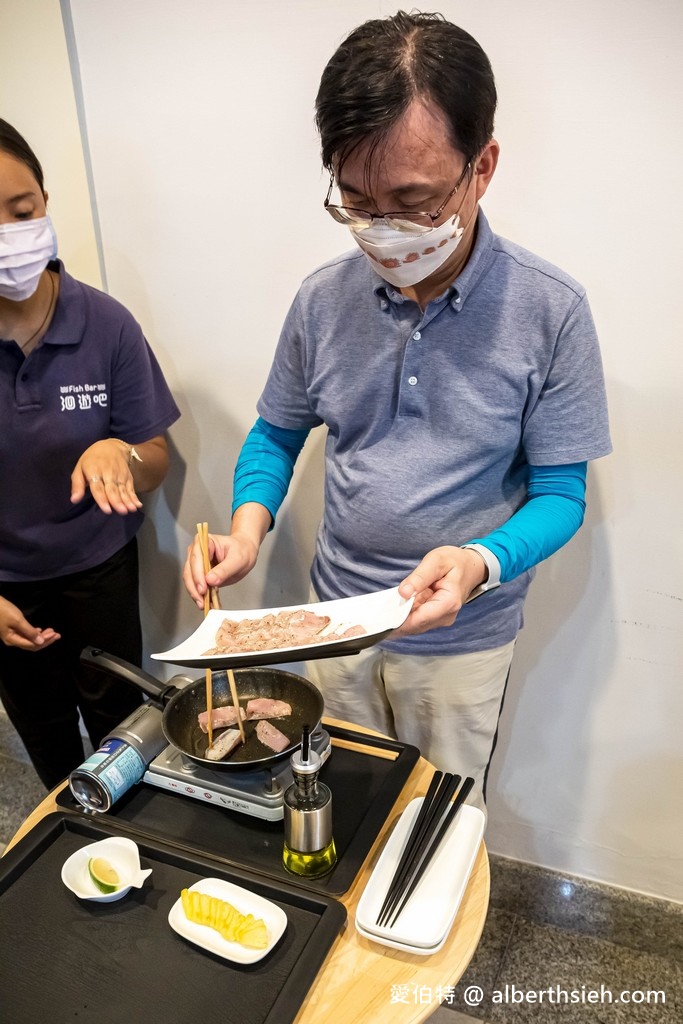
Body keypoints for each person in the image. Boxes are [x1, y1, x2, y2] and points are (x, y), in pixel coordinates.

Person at [183, 11, 611, 807]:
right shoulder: (322, 300)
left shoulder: (550, 311)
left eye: (411, 202)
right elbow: (277, 433)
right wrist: (246, 528)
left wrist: (480, 562)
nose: (380, 231)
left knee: (436, 820)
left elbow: (560, 496)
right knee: (337, 798)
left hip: (459, 636)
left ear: (480, 167)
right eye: (354, 199)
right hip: (334, 621)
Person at [0, 119, 180, 789]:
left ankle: (133, 851)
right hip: (5, 587)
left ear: (44, 201)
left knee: (120, 729)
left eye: (21, 212)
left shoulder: (105, 324)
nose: (8, 235)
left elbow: (154, 455)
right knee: (42, 730)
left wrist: (120, 454)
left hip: (98, 569)